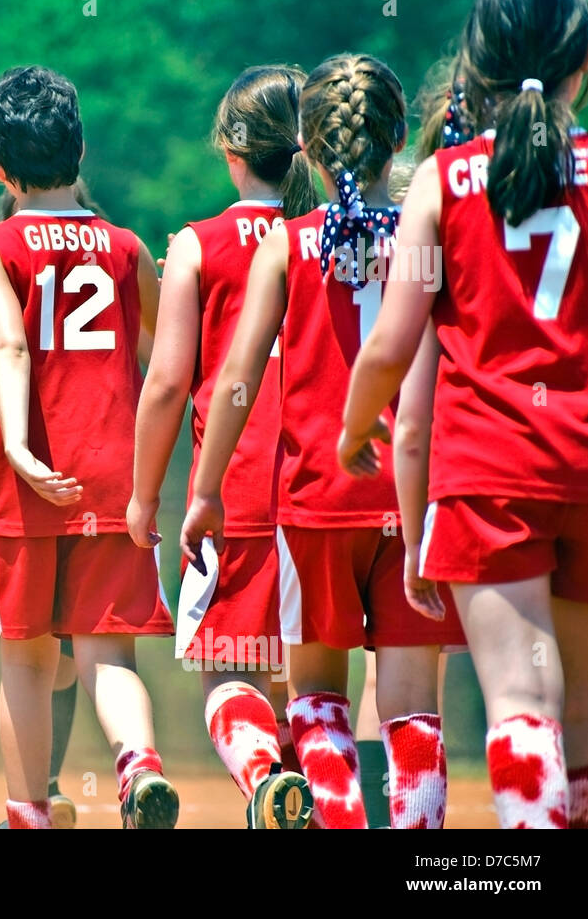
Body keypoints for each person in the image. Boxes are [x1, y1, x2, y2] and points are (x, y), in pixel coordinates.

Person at [181, 54, 467, 829]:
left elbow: (237, 380)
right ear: (401, 135)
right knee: (413, 714)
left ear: (305, 150)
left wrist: (205, 491)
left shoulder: (288, 244)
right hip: (412, 500)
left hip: (313, 501)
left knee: (316, 700)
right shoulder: (430, 232)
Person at [339, 0, 588, 829]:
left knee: (525, 699)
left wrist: (351, 438)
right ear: (581, 66)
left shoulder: (443, 184)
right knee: (584, 722)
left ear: (475, 63)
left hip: (492, 476)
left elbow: (393, 360)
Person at [0, 66, 171, 829]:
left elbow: (10, 346)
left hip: (30, 477)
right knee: (107, 655)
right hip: (113, 473)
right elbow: (161, 359)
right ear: (80, 149)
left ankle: (29, 813)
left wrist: (16, 443)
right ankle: (139, 762)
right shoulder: (126, 246)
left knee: (27, 657)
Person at [129, 65, 318, 828]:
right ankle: (311, 787)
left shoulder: (198, 245)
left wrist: (144, 493)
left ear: (230, 152)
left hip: (237, 484)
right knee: (314, 675)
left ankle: (267, 778)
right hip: (326, 482)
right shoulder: (335, 232)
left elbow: (168, 384)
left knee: (225, 668)